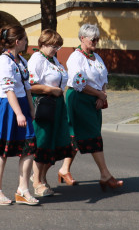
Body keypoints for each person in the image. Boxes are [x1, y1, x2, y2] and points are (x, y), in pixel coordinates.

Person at [0, 25, 39, 206]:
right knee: (2, 150)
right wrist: (19, 113)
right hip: (6, 107)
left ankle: (23, 190)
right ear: (18, 42)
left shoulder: (22, 61)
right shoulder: (4, 62)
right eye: (25, 39)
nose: (27, 42)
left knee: (28, 148)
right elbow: (8, 90)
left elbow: (26, 87)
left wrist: (31, 108)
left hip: (21, 106)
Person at [57, 23, 123, 191]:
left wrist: (102, 94)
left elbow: (103, 77)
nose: (95, 41)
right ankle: (105, 174)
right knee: (92, 135)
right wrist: (99, 94)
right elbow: (79, 83)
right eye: (92, 39)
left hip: (94, 100)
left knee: (80, 137)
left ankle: (64, 169)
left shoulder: (96, 57)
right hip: (79, 99)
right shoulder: (76, 57)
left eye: (97, 39)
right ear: (82, 39)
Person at [26, 29, 71, 197]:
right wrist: (49, 89)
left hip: (57, 106)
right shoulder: (37, 59)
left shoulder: (53, 60)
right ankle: (37, 181)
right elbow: (30, 85)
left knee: (56, 142)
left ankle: (42, 177)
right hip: (44, 104)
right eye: (53, 46)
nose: (55, 49)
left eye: (58, 47)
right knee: (43, 142)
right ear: (43, 44)